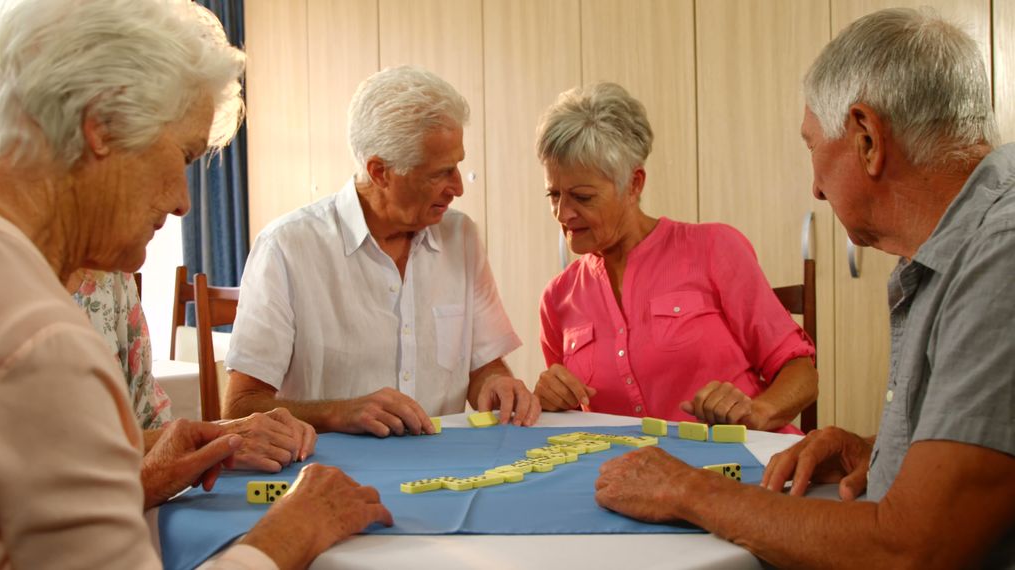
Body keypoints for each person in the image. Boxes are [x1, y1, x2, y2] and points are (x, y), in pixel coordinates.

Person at [0, 0, 391, 568]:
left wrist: (138, 474)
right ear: (100, 124)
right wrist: (296, 528)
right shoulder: (39, 342)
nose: (183, 202)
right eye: (183, 155)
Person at [594, 8, 1014, 567]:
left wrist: (689, 490)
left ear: (867, 138)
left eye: (813, 147)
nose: (815, 189)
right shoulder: (957, 247)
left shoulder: (1000, 256)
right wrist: (878, 450)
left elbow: (913, 549)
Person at [0, 95, 317, 473]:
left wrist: (221, 440)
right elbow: (39, 492)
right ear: (95, 139)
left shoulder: (110, 277)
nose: (184, 203)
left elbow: (147, 432)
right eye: (182, 156)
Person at [224, 66, 540, 436]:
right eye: (439, 173)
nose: (458, 187)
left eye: (458, 167)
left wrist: (496, 385)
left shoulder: (462, 237)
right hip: (328, 477)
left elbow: (484, 366)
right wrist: (339, 413)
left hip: (446, 471)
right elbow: (240, 407)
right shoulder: (287, 248)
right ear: (380, 172)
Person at [533, 82, 818, 433]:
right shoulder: (558, 298)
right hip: (629, 480)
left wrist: (757, 412)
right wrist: (552, 401)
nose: (563, 213)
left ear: (634, 184)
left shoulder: (715, 248)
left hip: (736, 470)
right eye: (553, 194)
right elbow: (574, 416)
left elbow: (801, 373)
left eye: (583, 197)